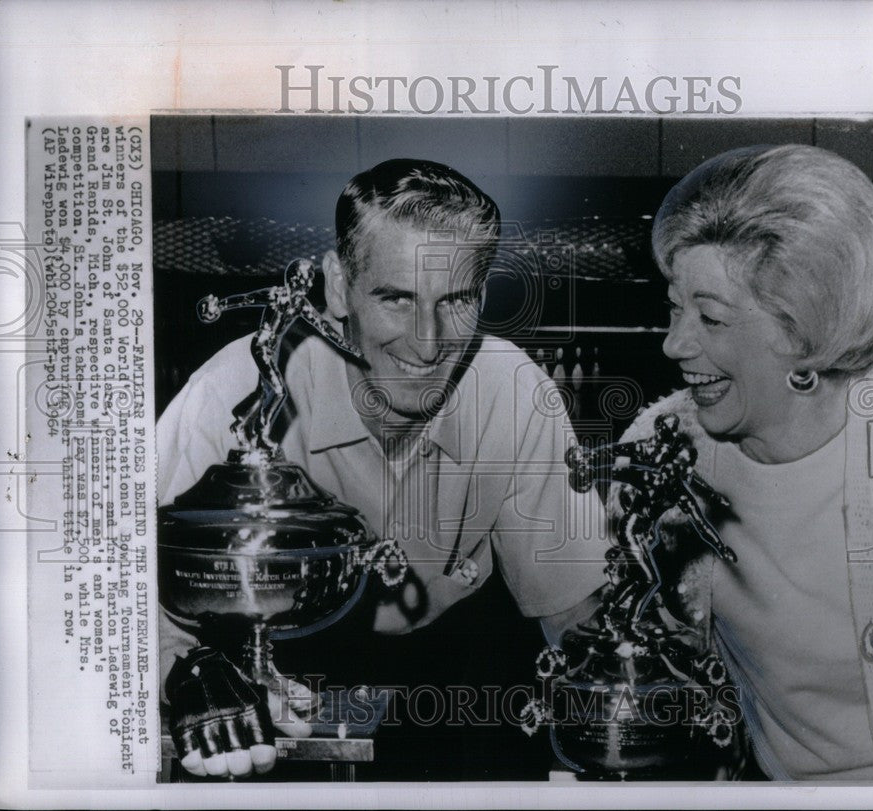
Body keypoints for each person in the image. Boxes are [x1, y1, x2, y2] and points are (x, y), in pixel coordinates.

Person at [156, 159, 610, 778]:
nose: (427, 344)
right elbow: (124, 599)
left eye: (456, 300)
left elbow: (573, 619)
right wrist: (183, 671)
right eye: (396, 298)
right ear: (339, 286)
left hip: (456, 685)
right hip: (271, 677)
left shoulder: (514, 394)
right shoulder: (232, 393)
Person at [614, 144, 873, 780]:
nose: (675, 343)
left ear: (801, 330)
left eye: (710, 317)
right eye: (675, 308)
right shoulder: (663, 454)